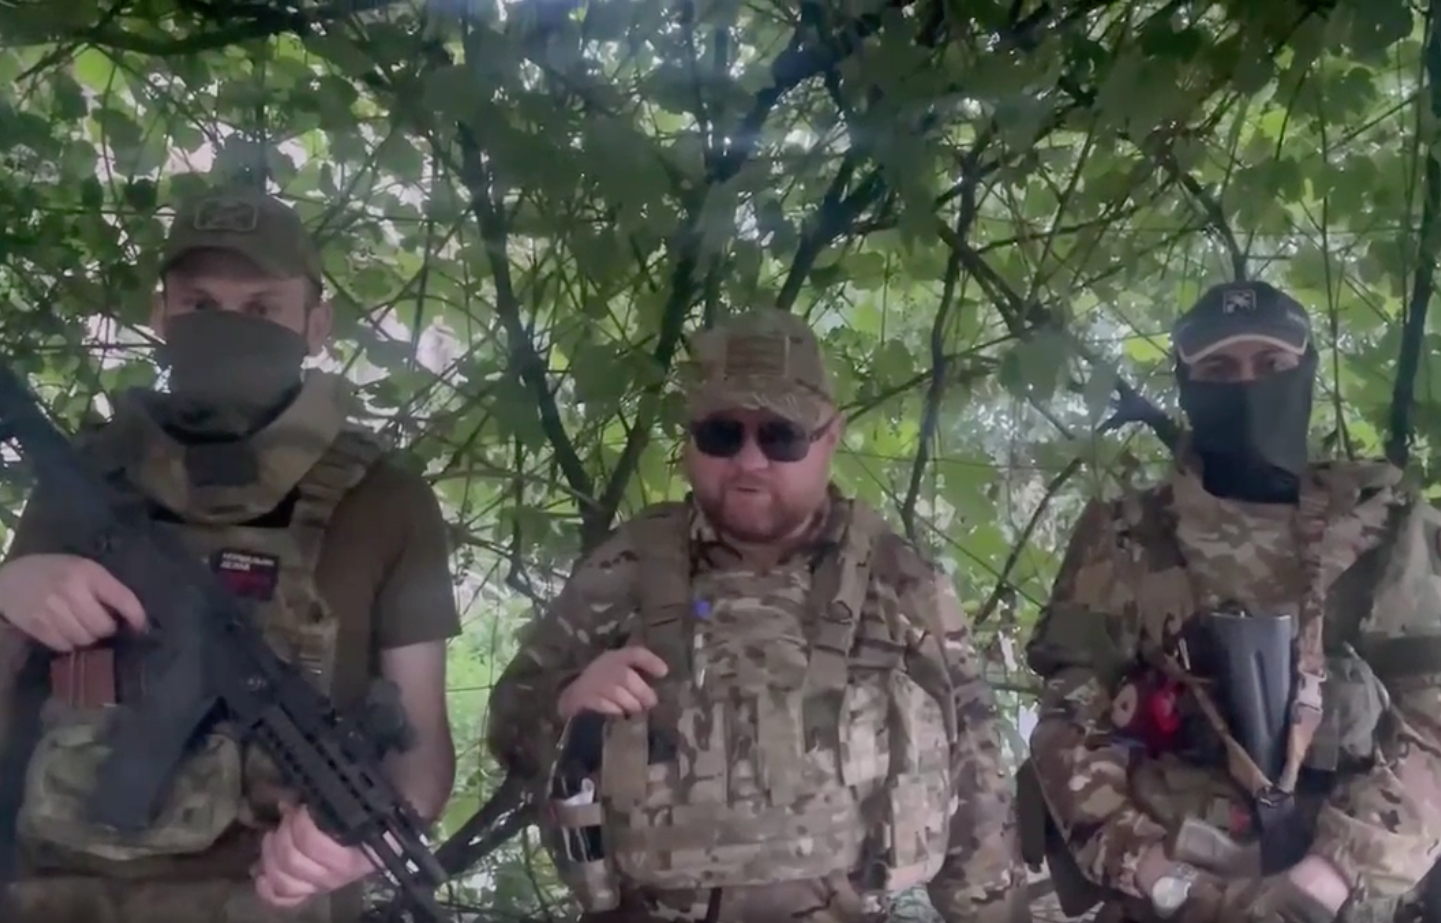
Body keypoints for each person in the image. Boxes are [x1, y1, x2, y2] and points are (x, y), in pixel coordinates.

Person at [0, 187, 462, 923]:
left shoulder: (385, 502)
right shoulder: (86, 481)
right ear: (161, 316)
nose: (227, 329)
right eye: (201, 304)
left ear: (316, 325)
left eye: (260, 308)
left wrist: (357, 851)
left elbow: (423, 751)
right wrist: (8, 595)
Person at [486, 308, 1031, 923]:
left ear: (830, 436)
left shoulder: (900, 585)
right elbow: (511, 724)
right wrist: (568, 703)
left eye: (780, 436)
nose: (749, 461)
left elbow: (977, 787)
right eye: (722, 435)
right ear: (690, 438)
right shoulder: (629, 566)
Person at [1018, 280, 1441, 923]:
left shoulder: (1384, 528)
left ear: (1306, 371)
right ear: (1187, 387)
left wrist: (1328, 878)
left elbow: (1433, 716)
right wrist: (1159, 875)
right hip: (1167, 894)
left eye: (1271, 365)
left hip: (1350, 895)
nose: (1248, 388)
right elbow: (1068, 722)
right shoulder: (1128, 536)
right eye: (1218, 370)